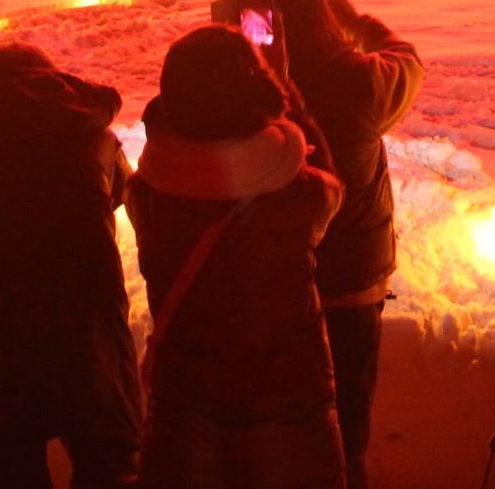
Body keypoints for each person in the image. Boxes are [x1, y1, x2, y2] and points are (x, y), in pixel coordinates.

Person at [216, 0, 423, 489]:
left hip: (270, 285)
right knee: (345, 428)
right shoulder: (359, 84)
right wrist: (356, 22)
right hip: (351, 284)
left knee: (275, 427)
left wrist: (229, 31)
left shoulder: (243, 90)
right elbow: (407, 59)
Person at [128, 24, 346, 489]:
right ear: (253, 91)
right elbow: (332, 183)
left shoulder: (146, 193)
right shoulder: (298, 195)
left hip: (184, 404)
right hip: (286, 401)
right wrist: (290, 97)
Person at [0, 42, 141, 487]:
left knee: (3, 465)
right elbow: (121, 192)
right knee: (108, 460)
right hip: (92, 315)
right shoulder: (92, 128)